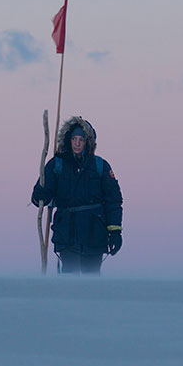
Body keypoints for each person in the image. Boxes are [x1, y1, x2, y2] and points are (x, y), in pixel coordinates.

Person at [31, 116, 123, 274]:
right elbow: (40, 197)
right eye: (74, 139)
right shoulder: (57, 164)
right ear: (68, 140)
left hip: (94, 234)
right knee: (70, 279)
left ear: (88, 142)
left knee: (92, 279)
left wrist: (115, 231)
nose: (77, 143)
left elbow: (113, 201)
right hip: (67, 234)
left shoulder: (100, 166)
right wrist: (40, 194)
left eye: (81, 139)